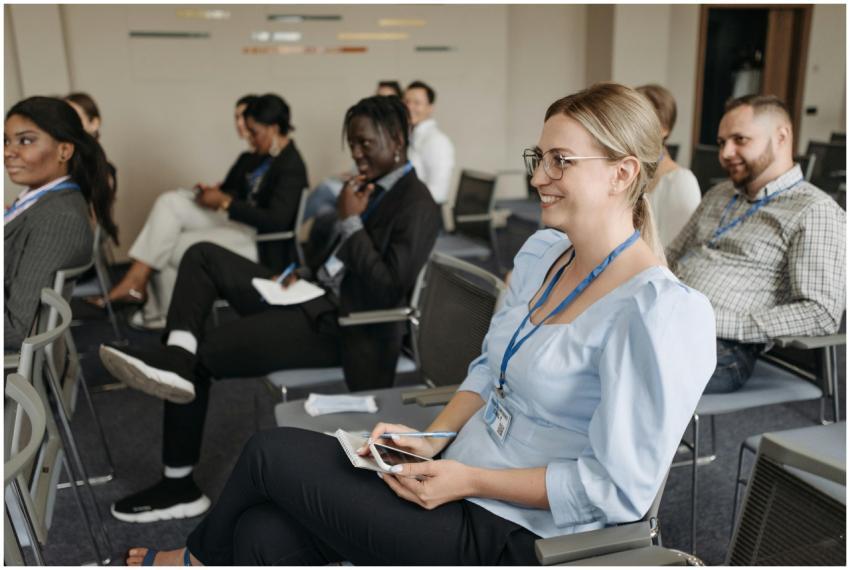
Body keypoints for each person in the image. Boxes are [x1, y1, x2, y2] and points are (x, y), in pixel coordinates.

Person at [122, 83, 716, 565]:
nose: (538, 177)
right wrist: (433, 438)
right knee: (261, 536)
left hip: (514, 532)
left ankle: (190, 562)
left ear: (622, 173)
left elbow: (615, 491)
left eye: (561, 161)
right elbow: (488, 369)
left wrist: (469, 480)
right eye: (539, 159)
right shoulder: (544, 255)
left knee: (266, 453)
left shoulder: (660, 312)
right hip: (455, 476)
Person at [99, 95, 441, 524]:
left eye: (365, 143)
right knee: (202, 255)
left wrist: (350, 222)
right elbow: (337, 261)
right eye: (352, 144)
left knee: (204, 358)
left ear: (397, 140)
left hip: (345, 326)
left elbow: (388, 287)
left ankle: (179, 486)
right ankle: (177, 354)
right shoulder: (367, 187)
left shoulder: (417, 204)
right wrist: (304, 272)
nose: (356, 153)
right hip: (310, 295)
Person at [668, 94, 846, 394]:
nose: (726, 153)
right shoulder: (720, 193)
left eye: (740, 140)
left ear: (781, 137)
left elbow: (821, 314)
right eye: (722, 142)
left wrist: (725, 324)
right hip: (668, 318)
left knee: (617, 366)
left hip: (723, 345)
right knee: (593, 338)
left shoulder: (814, 210)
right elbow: (671, 254)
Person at [98, 94, 307, 329]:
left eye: (254, 132)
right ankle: (141, 289)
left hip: (260, 240)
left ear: (274, 128)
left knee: (171, 243)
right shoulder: (254, 158)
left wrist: (226, 203)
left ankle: (159, 310)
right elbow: (233, 190)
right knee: (169, 202)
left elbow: (277, 220)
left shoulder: (291, 165)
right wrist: (213, 194)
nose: (249, 136)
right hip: (235, 223)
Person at [4, 96, 117, 349]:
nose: (7, 152)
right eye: (6, 141)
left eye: (25, 140)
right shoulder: (41, 201)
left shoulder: (58, 219)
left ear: (64, 151)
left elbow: (17, 329)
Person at [636, 84, 701, 246]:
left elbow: (679, 249)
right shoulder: (625, 172)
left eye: (640, 117)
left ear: (664, 128)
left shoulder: (681, 181)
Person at [404, 80, 455, 206]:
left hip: (425, 212)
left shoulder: (437, 141)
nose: (409, 107)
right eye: (406, 102)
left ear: (430, 108)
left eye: (417, 103)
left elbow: (439, 192)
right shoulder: (411, 137)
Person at [65, 92, 118, 193]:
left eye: (74, 118)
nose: (67, 125)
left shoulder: (101, 170)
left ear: (94, 123)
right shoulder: (61, 163)